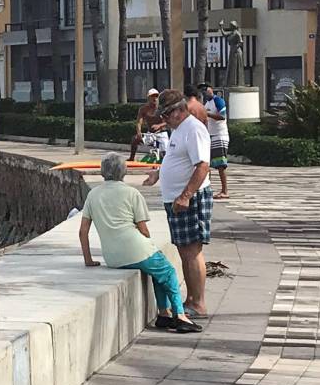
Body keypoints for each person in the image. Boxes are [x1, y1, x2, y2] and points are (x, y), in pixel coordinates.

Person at [80, 152, 202, 333]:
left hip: (113, 257)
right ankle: (180, 315)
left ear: (102, 171)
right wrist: (148, 244)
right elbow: (143, 229)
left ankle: (163, 314)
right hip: (135, 248)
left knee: (157, 273)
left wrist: (88, 260)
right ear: (124, 171)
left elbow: (83, 232)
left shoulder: (93, 195)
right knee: (167, 272)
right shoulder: (131, 193)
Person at [143, 89, 212, 319]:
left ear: (179, 111)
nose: (163, 119)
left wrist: (185, 196)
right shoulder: (179, 130)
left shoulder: (193, 130)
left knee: (192, 250)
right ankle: (190, 299)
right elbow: (177, 160)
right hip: (176, 199)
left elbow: (202, 165)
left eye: (166, 114)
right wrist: (159, 174)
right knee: (184, 250)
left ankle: (199, 303)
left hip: (189, 199)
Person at [204, 87, 230, 199]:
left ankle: (225, 190)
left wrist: (207, 114)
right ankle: (206, 188)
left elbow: (222, 116)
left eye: (207, 89)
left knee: (220, 165)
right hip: (210, 136)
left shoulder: (218, 100)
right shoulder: (206, 103)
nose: (205, 91)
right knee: (206, 163)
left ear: (212, 89)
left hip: (220, 135)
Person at [129, 88, 168, 161]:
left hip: (162, 133)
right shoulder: (143, 109)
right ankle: (131, 158)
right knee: (135, 139)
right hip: (150, 134)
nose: (155, 98)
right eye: (153, 96)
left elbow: (169, 121)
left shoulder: (162, 108)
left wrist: (159, 125)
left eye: (156, 96)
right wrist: (139, 132)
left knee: (164, 154)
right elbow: (139, 122)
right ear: (148, 98)